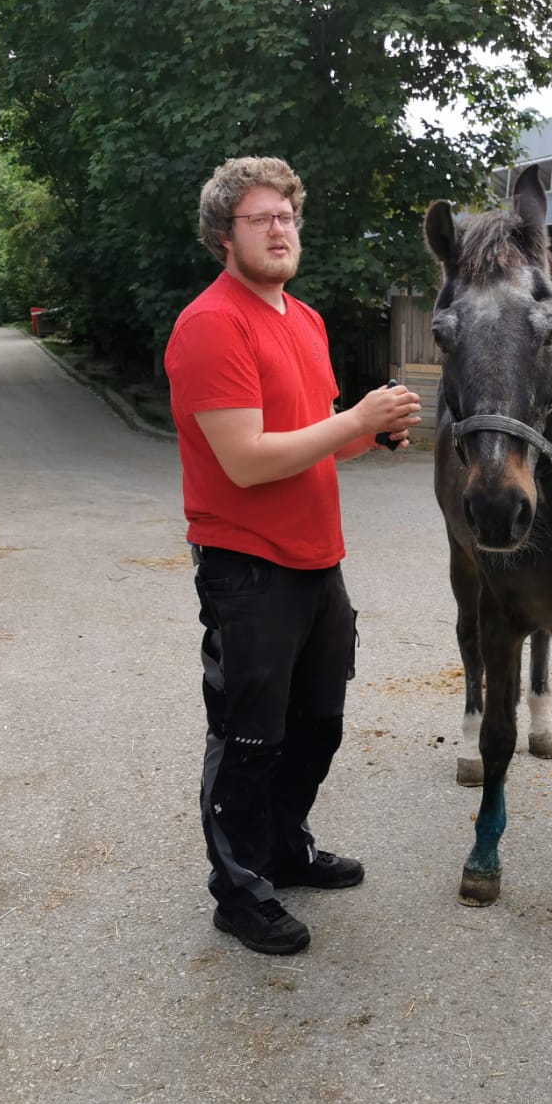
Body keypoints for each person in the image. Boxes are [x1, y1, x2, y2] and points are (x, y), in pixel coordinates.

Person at [165, 156, 420, 956]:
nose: (280, 231)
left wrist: (365, 434)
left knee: (319, 722)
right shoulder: (212, 325)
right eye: (260, 219)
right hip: (246, 565)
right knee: (249, 733)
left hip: (317, 559)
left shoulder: (302, 321)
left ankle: (284, 846)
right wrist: (352, 424)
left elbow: (304, 444)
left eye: (287, 217)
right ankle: (238, 891)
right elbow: (245, 459)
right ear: (222, 236)